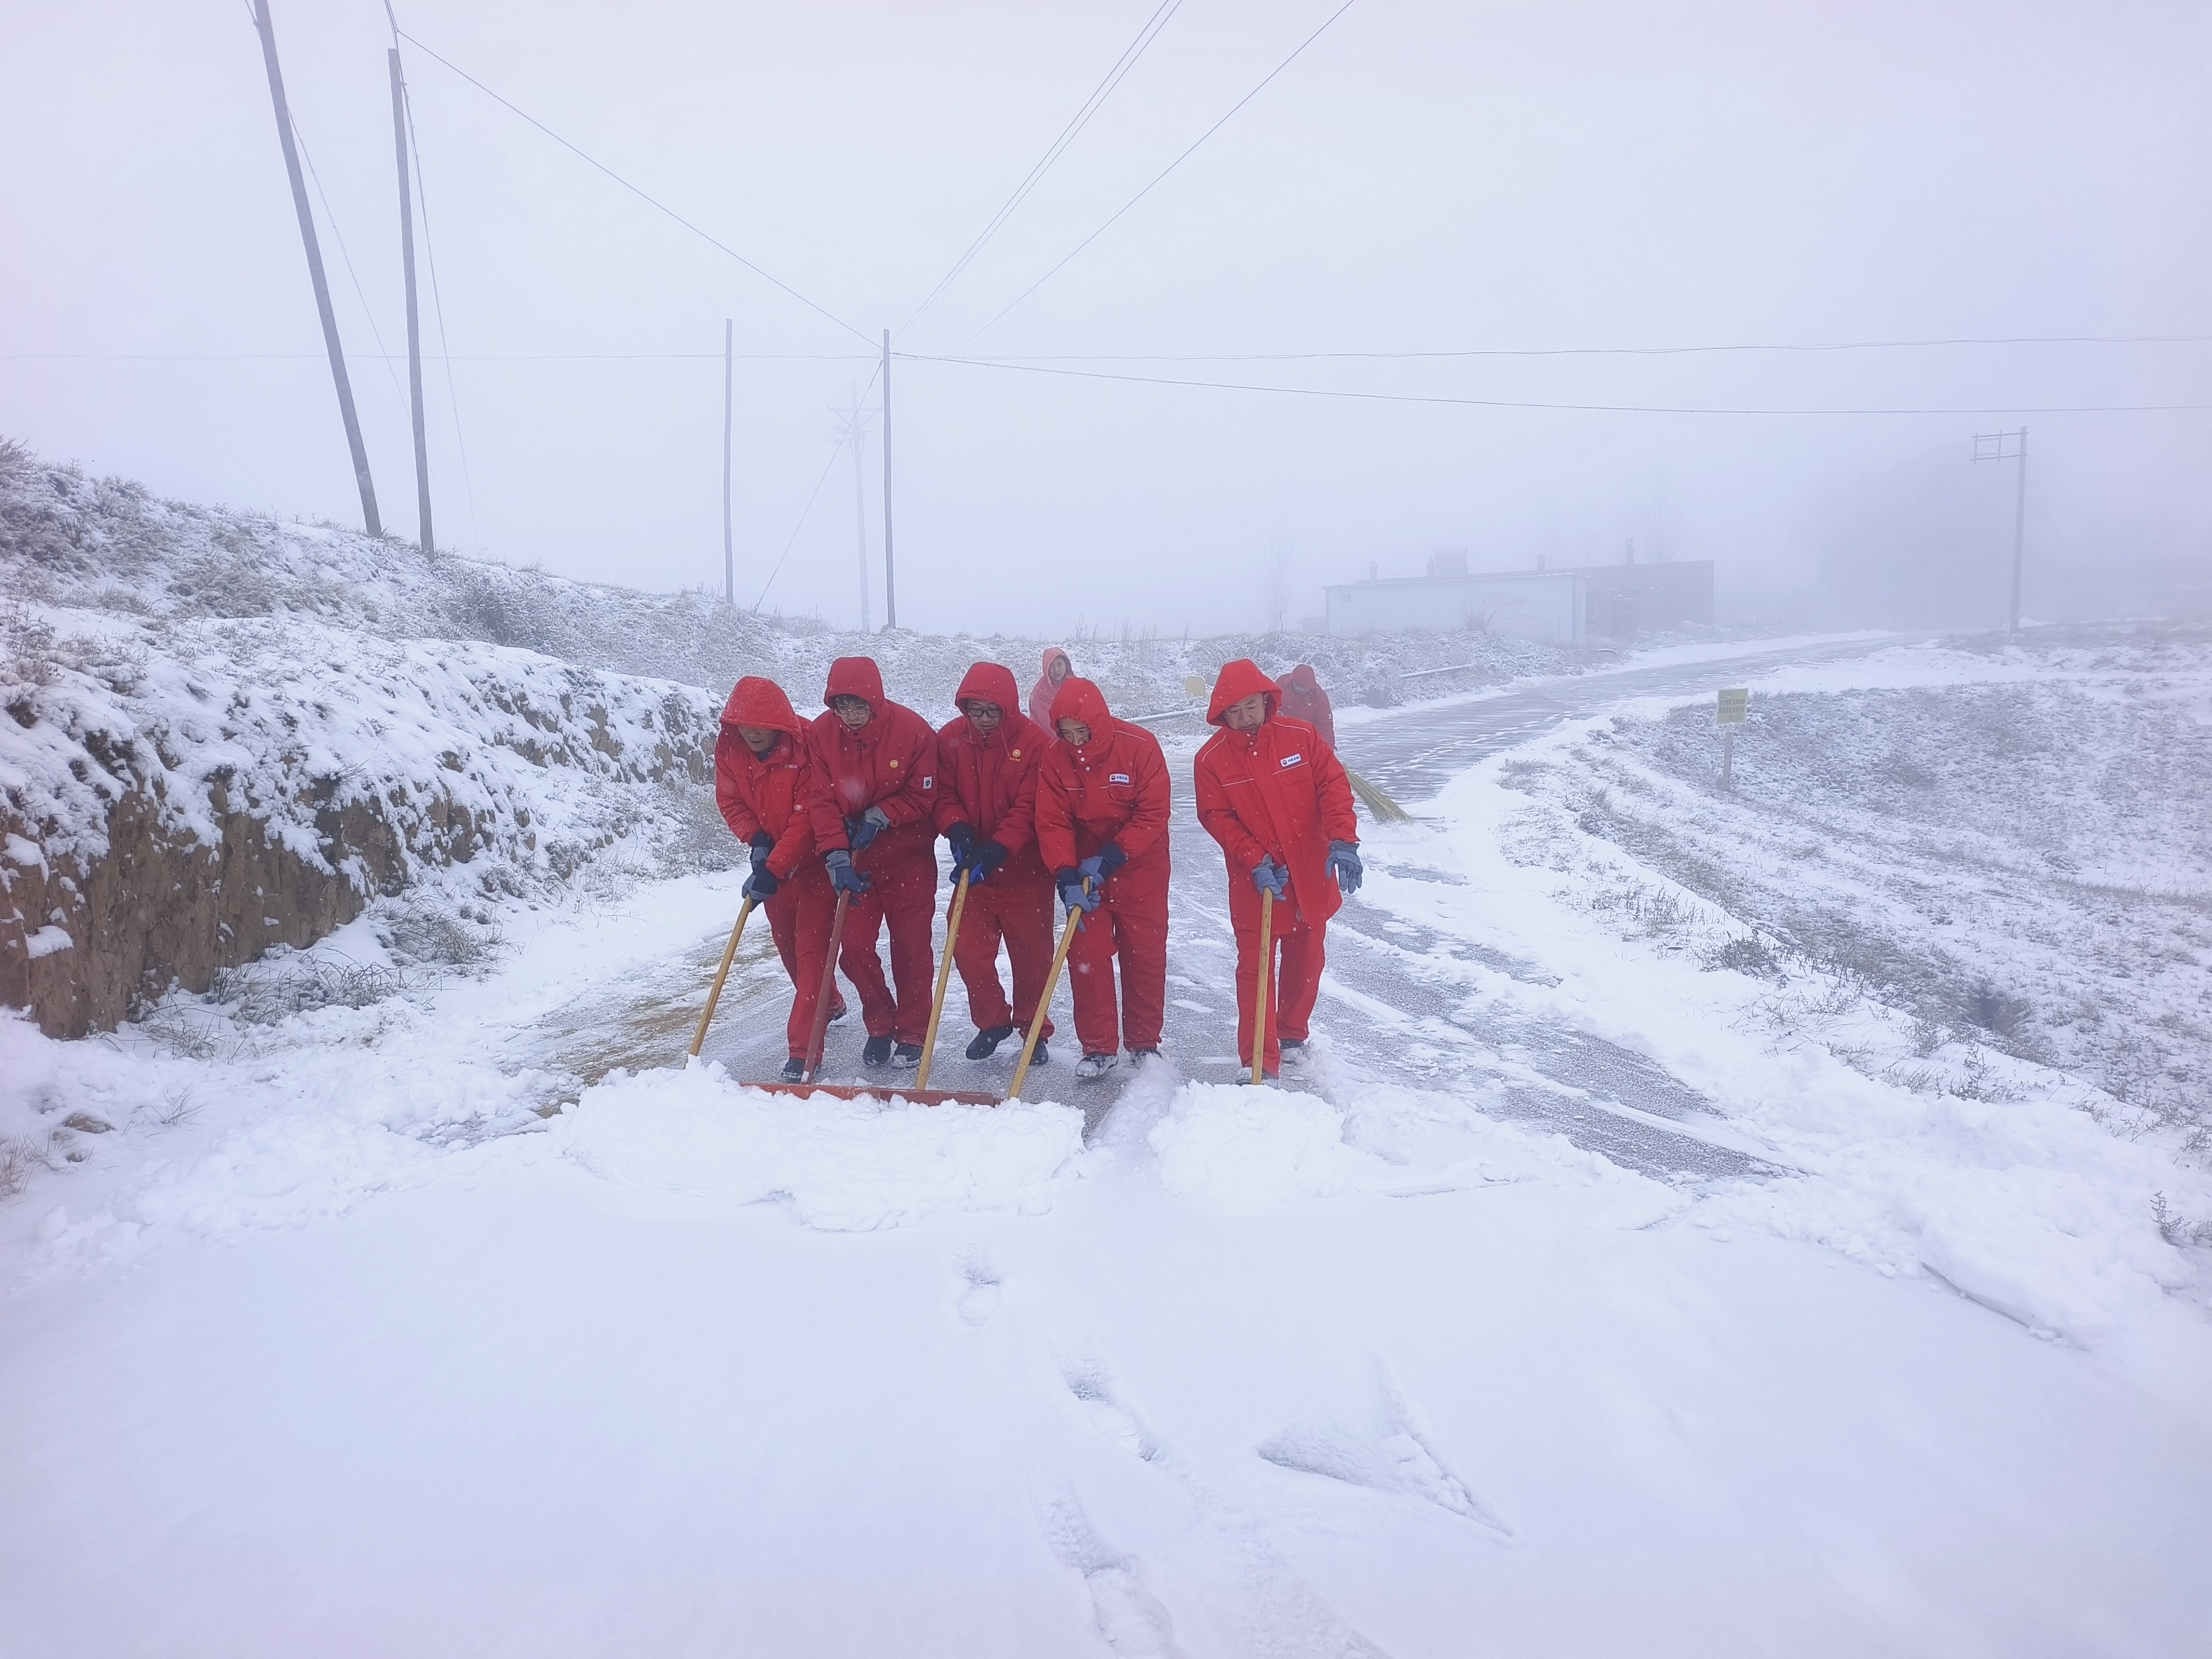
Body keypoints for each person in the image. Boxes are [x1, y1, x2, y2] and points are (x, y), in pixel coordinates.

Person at [1193, 659, 1361, 1081]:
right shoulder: (1211, 759)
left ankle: (1290, 1034)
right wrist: (1254, 858)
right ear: (1222, 713)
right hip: (1259, 880)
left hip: (1310, 869)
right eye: (1235, 711)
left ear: (1267, 700)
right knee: (1256, 967)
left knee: (1307, 959)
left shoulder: (1300, 737)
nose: (1246, 717)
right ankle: (1258, 1060)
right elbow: (1216, 816)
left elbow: (1333, 786)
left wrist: (1343, 839)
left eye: (1252, 706)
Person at [803, 657, 940, 1068]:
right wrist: (836, 855)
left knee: (912, 948)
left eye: (858, 705)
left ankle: (913, 1032)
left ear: (875, 699)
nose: (850, 715)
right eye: (841, 706)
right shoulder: (822, 734)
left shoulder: (913, 731)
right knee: (854, 946)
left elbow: (924, 795)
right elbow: (822, 798)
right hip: (857, 857)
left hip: (907, 856)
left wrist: (882, 816)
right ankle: (880, 1023)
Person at [1034, 677, 1171, 1080]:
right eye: (1067, 732)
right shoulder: (1055, 758)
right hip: (1083, 870)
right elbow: (1052, 820)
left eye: (1083, 731)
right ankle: (1098, 1047)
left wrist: (1113, 856)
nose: (1076, 741)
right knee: (1087, 956)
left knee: (1144, 955)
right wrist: (1064, 873)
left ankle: (1145, 1042)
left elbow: (1152, 813)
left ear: (1100, 721)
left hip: (1139, 867)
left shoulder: (1140, 747)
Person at [713, 676, 844, 1080]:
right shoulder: (730, 748)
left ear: (778, 722)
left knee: (812, 955)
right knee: (788, 948)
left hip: (817, 863)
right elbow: (730, 799)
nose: (751, 732)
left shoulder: (806, 745)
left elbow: (808, 817)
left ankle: (804, 1052)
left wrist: (772, 866)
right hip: (775, 861)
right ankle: (831, 1003)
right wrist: (755, 840)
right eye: (743, 724)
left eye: (760, 724)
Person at [935, 663, 1056, 1066]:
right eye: (976, 709)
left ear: (1009, 707)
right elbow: (943, 793)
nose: (984, 719)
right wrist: (957, 830)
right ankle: (992, 1021)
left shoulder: (1035, 743)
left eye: (993, 710)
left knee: (1032, 958)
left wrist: (1000, 849)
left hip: (1025, 873)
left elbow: (1030, 806)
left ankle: (1033, 1027)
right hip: (975, 873)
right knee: (965, 947)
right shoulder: (951, 739)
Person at [1278, 663, 1337, 747]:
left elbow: (1325, 725)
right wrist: (1277, 713)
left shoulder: (1320, 698)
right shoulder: (1282, 684)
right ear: (1292, 681)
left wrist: (1329, 748)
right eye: (1297, 685)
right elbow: (1268, 702)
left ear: (1311, 686)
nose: (1300, 689)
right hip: (1281, 733)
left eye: (1304, 686)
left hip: (1306, 738)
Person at [1027, 646, 1074, 730]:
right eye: (1051, 666)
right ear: (1046, 668)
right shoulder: (1040, 693)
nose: (1056, 670)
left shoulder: (1074, 684)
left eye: (1059, 664)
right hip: (1046, 740)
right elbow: (1053, 727)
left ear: (1066, 665)